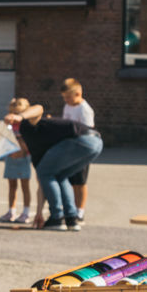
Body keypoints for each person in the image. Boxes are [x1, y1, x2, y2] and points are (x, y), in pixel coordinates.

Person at [4, 101, 102, 230]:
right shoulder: (36, 153)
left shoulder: (28, 125)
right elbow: (42, 186)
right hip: (95, 143)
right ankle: (71, 219)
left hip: (81, 139)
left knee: (46, 173)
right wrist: (39, 213)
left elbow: (39, 107)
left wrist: (20, 117)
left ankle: (56, 218)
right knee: (59, 176)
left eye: (16, 148)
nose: (15, 153)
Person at [59, 78, 95, 219]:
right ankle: (71, 208)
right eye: (64, 98)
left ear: (78, 94)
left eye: (68, 97)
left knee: (80, 182)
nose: (66, 100)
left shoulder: (84, 109)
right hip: (70, 149)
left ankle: (80, 210)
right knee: (70, 181)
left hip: (81, 149)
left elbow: (87, 130)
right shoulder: (67, 107)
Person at [0, 96, 34, 223]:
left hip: (23, 158)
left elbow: (27, 143)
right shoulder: (9, 126)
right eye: (13, 113)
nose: (14, 117)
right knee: (11, 186)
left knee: (25, 186)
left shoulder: (26, 125)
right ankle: (11, 211)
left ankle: (26, 212)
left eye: (18, 114)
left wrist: (22, 148)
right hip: (11, 158)